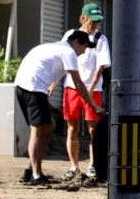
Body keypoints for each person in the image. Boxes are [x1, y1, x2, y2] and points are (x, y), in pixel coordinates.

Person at [14, 31, 105, 185]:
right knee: (38, 130)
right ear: (76, 42)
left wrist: (51, 108)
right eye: (83, 48)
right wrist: (94, 105)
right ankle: (36, 176)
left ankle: (32, 169)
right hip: (32, 88)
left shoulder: (53, 48)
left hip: (24, 87)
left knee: (50, 126)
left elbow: (40, 81)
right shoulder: (68, 51)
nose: (82, 53)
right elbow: (78, 83)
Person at [52, 4, 111, 181]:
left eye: (98, 22)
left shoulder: (100, 39)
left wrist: (91, 88)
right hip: (72, 87)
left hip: (93, 89)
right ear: (83, 19)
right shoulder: (71, 35)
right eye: (93, 21)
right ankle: (74, 166)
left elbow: (100, 66)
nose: (95, 25)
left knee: (94, 129)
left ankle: (92, 165)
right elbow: (61, 60)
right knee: (72, 128)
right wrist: (53, 83)